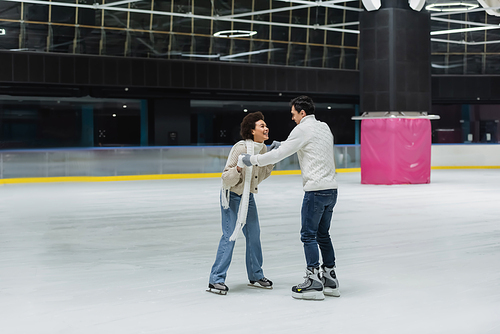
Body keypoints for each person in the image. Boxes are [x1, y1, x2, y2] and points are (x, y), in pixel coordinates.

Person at [240, 95, 339, 300]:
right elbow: (305, 145)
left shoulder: (302, 129)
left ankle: (313, 281)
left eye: (294, 114)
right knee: (323, 235)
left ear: (302, 113)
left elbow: (279, 155)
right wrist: (283, 143)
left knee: (308, 235)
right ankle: (330, 279)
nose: (292, 118)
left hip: (315, 190)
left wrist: (252, 159)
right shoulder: (324, 127)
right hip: (331, 190)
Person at [207, 111, 275, 295]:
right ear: (252, 131)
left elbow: (260, 176)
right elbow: (226, 178)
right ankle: (216, 280)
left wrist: (272, 158)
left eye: (265, 125)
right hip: (231, 196)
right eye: (261, 125)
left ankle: (255, 275)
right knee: (230, 236)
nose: (266, 128)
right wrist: (239, 166)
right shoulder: (241, 147)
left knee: (254, 235)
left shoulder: (263, 149)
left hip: (247, 197)